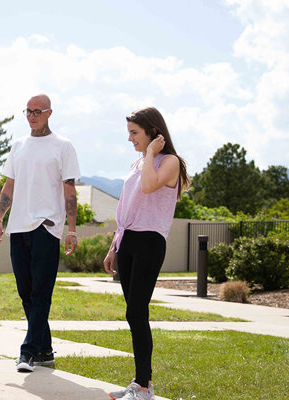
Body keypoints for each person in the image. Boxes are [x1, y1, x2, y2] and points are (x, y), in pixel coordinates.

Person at [103, 107, 190, 400]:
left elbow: (151, 187)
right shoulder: (138, 163)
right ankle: (141, 383)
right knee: (133, 314)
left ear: (153, 132)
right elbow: (128, 207)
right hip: (128, 241)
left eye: (134, 133)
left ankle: (143, 386)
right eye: (129, 133)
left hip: (150, 241)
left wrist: (152, 153)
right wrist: (115, 245)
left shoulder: (170, 162)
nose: (130, 139)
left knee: (136, 311)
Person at [0, 94, 80, 373]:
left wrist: (72, 230)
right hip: (17, 228)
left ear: (49, 113)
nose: (31, 115)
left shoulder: (63, 146)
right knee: (26, 293)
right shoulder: (18, 146)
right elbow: (8, 186)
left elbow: (69, 190)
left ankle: (27, 352)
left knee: (41, 293)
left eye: (37, 111)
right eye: (27, 111)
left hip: (46, 227)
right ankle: (45, 350)